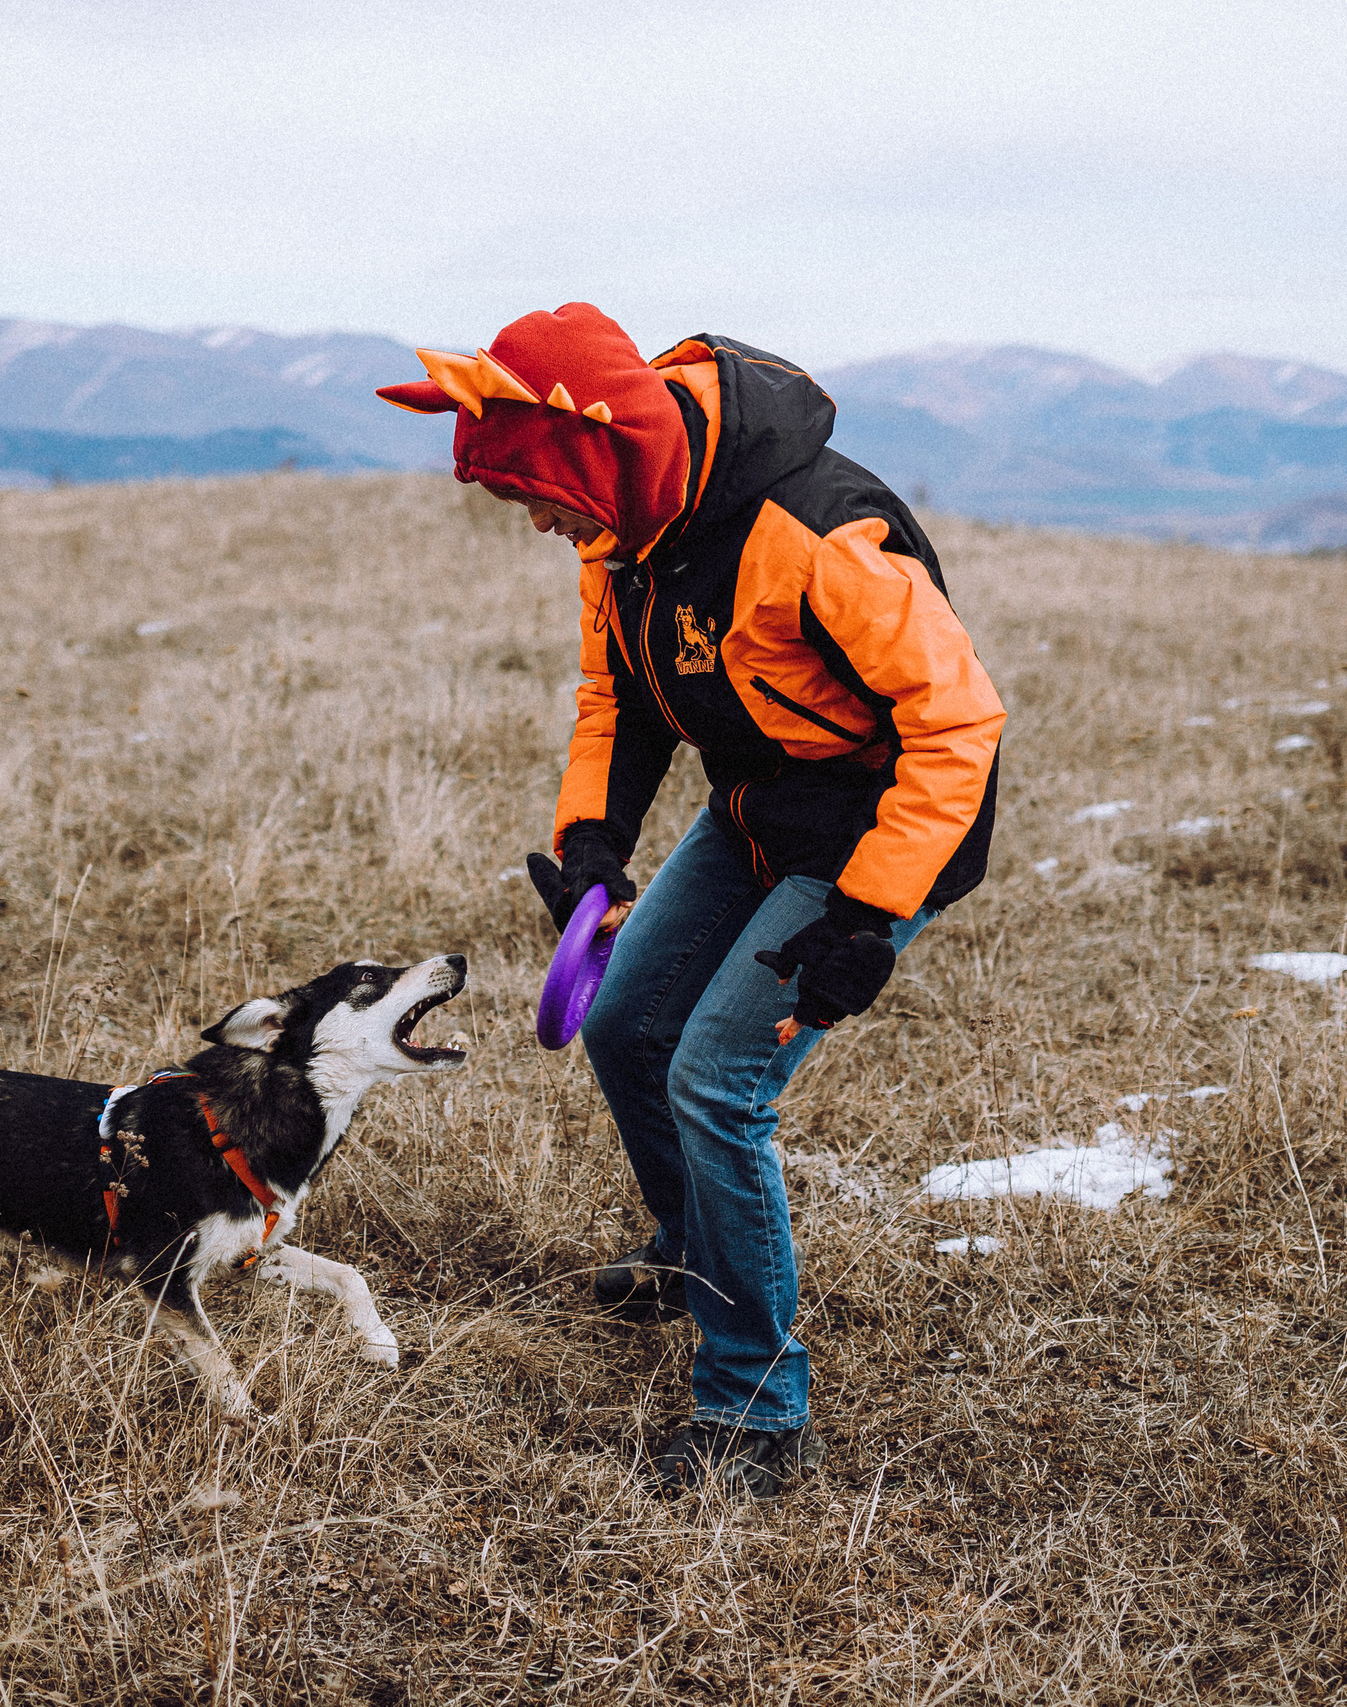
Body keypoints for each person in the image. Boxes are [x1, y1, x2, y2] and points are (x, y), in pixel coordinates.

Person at [379, 304, 1004, 1499]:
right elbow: (613, 692)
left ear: (598, 452)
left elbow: (958, 724)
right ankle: (694, 1254)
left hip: (879, 832)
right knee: (623, 1027)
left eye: (539, 499)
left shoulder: (819, 535)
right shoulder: (621, 533)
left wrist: (868, 915)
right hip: (757, 810)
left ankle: (758, 1406)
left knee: (716, 1080)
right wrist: (591, 844)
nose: (543, 526)